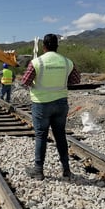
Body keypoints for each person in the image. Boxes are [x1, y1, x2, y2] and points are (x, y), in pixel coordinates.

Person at [21, 33, 80, 180]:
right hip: (61, 103)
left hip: (41, 104)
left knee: (41, 135)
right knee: (60, 135)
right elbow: (76, 80)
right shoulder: (67, 62)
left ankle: (38, 170)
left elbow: (25, 81)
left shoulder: (37, 62)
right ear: (57, 46)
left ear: (44, 46)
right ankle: (66, 170)